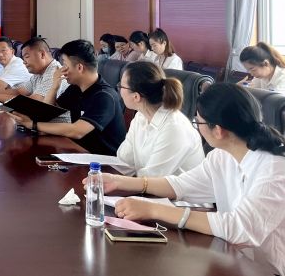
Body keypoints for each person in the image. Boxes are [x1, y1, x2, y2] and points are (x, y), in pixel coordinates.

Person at [101, 84, 285, 275]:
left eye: (198, 123)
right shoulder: (222, 156)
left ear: (218, 130)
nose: (197, 127)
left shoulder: (275, 170)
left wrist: (154, 210)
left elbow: (239, 228)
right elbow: (181, 185)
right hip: (233, 260)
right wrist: (119, 181)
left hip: (267, 269)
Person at [7, 39, 126, 155]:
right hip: (79, 152)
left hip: (103, 160)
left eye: (65, 64)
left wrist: (33, 125)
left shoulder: (104, 96)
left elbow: (77, 131)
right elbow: (46, 114)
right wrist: (54, 86)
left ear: (79, 68)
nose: (61, 69)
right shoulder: (75, 88)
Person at [116, 61, 204, 177]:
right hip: (145, 185)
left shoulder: (174, 128)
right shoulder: (140, 117)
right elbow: (124, 159)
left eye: (121, 86)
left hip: (171, 189)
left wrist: (115, 181)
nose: (119, 90)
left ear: (136, 96)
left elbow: (151, 179)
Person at [0, 37, 71, 123]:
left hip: (55, 128)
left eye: (27, 57)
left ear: (42, 54)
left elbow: (34, 102)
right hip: (39, 123)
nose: (24, 62)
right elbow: (19, 91)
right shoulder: (38, 73)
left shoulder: (54, 72)